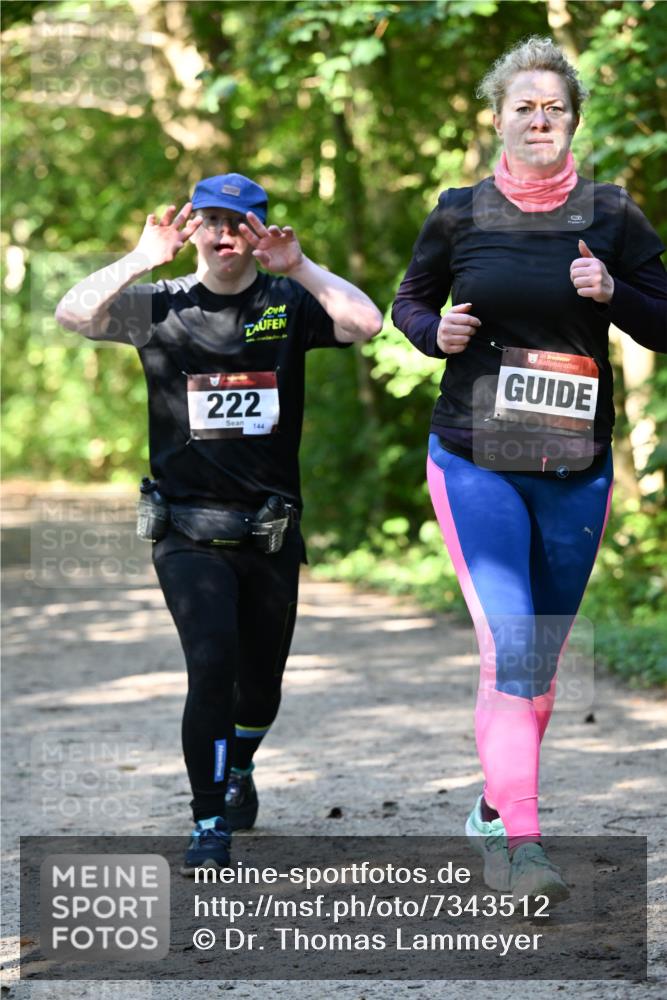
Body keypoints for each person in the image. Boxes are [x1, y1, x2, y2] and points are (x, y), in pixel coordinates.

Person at [392, 37, 666, 904]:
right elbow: (411, 299)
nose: (538, 118)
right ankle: (524, 845)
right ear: (498, 118)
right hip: (476, 456)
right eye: (523, 106)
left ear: (572, 119)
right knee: (511, 648)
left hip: (574, 464)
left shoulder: (613, 216)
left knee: (536, 662)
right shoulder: (457, 212)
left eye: (553, 107)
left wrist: (611, 296)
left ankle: (490, 806)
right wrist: (430, 334)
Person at [55, 172, 383, 872]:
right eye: (210, 220)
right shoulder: (158, 305)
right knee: (211, 665)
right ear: (194, 229)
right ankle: (208, 820)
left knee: (260, 685)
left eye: (239, 222)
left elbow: (365, 324)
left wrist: (301, 267)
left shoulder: (286, 302)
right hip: (186, 530)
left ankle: (238, 765)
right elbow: (72, 314)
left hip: (268, 529)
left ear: (259, 230)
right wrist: (141, 257)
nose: (224, 233)